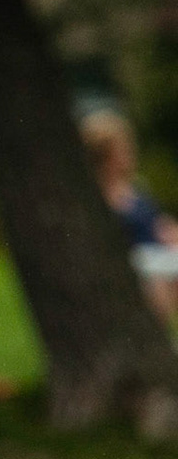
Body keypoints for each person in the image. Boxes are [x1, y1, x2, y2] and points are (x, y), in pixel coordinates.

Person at [81, 109, 178, 321]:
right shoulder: (99, 196)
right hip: (140, 262)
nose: (130, 153)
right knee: (158, 280)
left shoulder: (134, 187)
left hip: (161, 256)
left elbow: (159, 223)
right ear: (105, 155)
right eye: (123, 148)